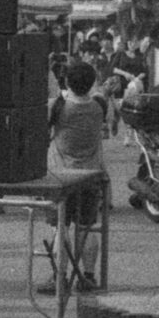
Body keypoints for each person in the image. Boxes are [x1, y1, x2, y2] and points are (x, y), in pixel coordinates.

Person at [46, 59, 109, 291]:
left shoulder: (57, 106)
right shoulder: (99, 106)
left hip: (60, 177)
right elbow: (102, 98)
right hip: (90, 175)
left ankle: (59, 278)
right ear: (91, 82)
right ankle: (89, 276)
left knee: (59, 228)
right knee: (87, 227)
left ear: (65, 81)